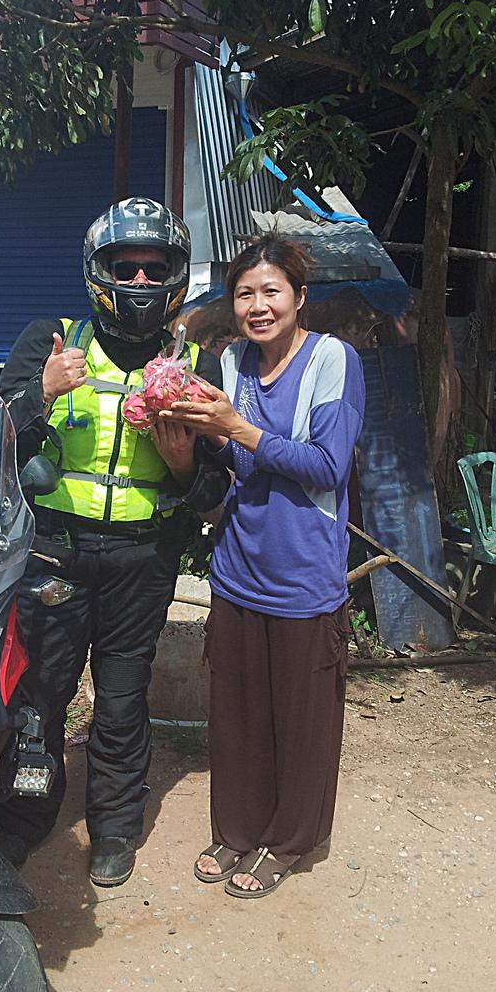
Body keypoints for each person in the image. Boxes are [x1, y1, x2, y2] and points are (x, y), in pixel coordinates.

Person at [0, 197, 228, 887]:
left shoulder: (195, 365)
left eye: (155, 268)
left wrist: (182, 462)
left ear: (177, 277)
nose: (139, 281)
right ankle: (24, 816)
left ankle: (115, 827)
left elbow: (214, 490)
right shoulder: (50, 342)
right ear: (99, 272)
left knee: (123, 699)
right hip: (53, 552)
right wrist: (39, 393)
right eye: (125, 268)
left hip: (142, 560)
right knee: (39, 695)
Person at [161, 233, 365, 899]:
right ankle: (237, 829)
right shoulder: (232, 362)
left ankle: (289, 840)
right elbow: (235, 462)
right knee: (238, 716)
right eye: (244, 293)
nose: (257, 306)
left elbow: (328, 467)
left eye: (270, 291)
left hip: (304, 575)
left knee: (301, 721)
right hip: (237, 566)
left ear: (299, 297)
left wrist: (237, 428)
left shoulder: (331, 360)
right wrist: (191, 437)